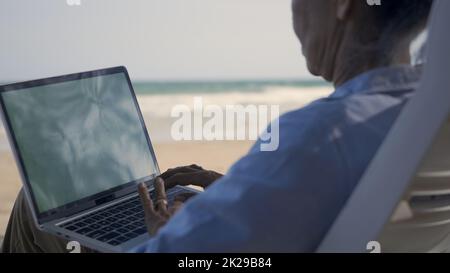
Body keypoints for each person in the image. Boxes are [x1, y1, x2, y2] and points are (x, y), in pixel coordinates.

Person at [1, 0, 433, 253]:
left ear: (342, 5)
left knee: (36, 208)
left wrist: (167, 230)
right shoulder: (424, 114)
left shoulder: (318, 136)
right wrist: (235, 190)